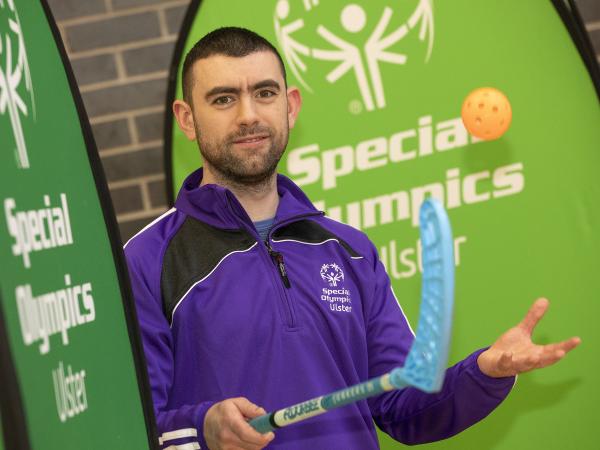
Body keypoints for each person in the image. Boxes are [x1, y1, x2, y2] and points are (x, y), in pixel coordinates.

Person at [124, 27, 580, 450]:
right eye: (223, 99)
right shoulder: (145, 261)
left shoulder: (351, 249)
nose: (248, 115)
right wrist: (204, 428)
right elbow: (129, 425)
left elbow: (405, 409)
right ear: (187, 118)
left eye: (264, 93)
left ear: (291, 106)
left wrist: (485, 372)